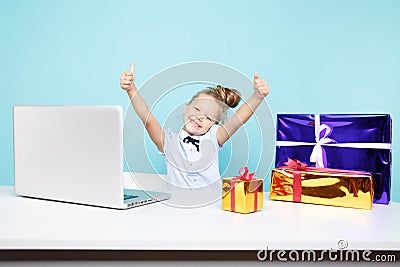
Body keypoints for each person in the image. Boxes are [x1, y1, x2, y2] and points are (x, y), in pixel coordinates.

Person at [120, 63, 270, 189]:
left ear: (214, 123)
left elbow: (238, 120)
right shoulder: (169, 141)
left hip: (212, 207)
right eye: (197, 109)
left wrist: (257, 96)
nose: (199, 117)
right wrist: (131, 89)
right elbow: (148, 120)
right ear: (186, 108)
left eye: (208, 117)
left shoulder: (214, 137)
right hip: (179, 208)